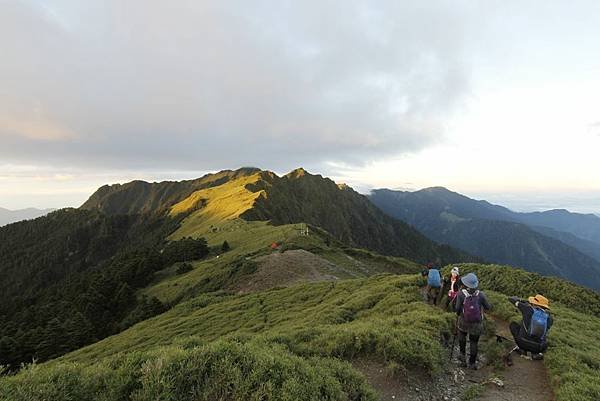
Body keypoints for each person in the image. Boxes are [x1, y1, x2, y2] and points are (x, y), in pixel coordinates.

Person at [454, 272, 491, 369]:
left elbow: (457, 308)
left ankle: (462, 360)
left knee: (462, 338)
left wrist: (458, 314)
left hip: (463, 322)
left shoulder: (461, 294)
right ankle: (472, 363)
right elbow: (488, 307)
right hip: (477, 324)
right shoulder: (481, 295)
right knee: (474, 342)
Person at [508, 294, 553, 360]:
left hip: (522, 343)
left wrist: (520, 300)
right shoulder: (550, 318)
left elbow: (511, 299)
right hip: (538, 348)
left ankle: (522, 349)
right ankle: (536, 354)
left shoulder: (528, 309)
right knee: (544, 335)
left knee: (513, 324)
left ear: (535, 303)